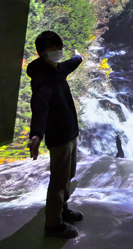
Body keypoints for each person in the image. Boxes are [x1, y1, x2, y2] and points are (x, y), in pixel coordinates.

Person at [27, 31, 84, 238]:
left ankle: (63, 209)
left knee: (68, 175)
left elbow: (70, 63)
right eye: (52, 51)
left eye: (58, 49)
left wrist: (79, 57)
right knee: (58, 182)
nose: (57, 54)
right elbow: (39, 107)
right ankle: (53, 225)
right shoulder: (42, 78)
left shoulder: (58, 69)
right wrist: (36, 134)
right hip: (59, 137)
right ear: (41, 53)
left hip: (70, 132)